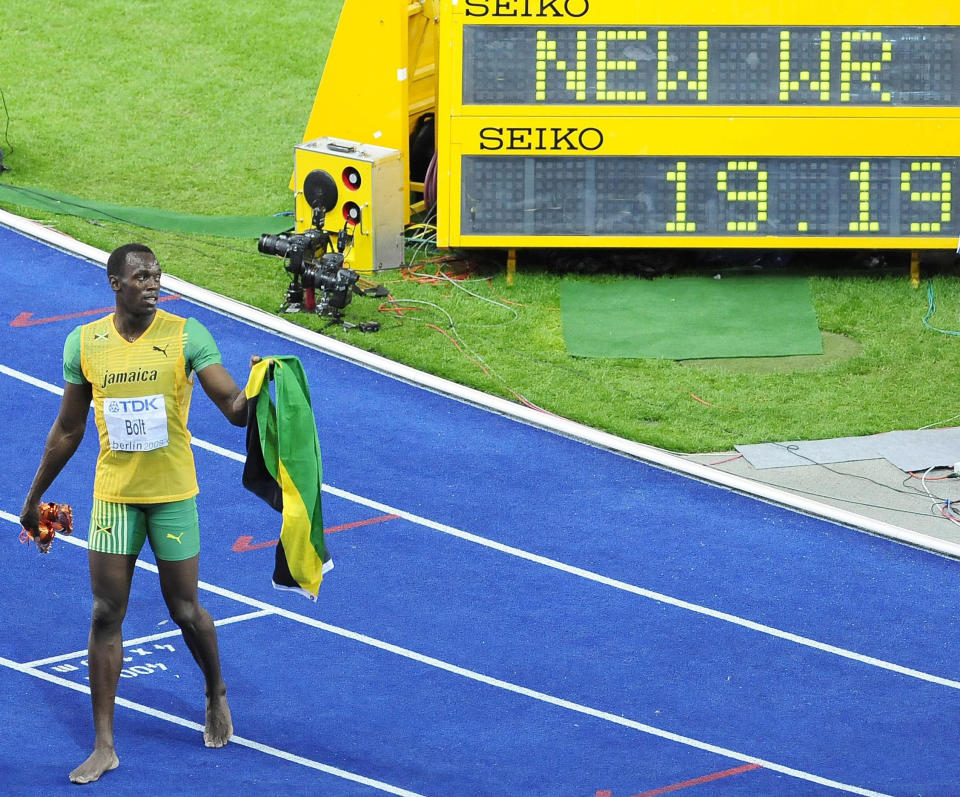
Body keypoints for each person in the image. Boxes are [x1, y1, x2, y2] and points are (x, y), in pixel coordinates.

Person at [20, 243, 254, 784]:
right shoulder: (85, 343)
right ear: (115, 283)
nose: (153, 283)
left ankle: (214, 689)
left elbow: (235, 410)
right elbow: (69, 429)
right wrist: (33, 499)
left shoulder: (186, 334)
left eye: (157, 275)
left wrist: (263, 390)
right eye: (142, 276)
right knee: (105, 613)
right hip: (115, 497)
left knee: (185, 608)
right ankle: (104, 745)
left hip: (172, 495)